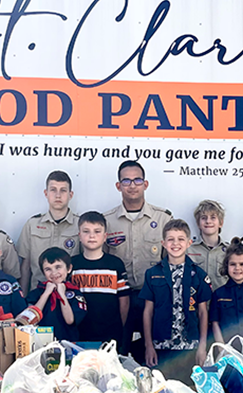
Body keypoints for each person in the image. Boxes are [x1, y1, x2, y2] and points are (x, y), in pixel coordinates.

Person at [104, 160, 172, 358]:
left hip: (154, 298)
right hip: (118, 300)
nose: (132, 185)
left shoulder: (163, 219)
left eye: (137, 180)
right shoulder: (107, 221)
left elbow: (171, 262)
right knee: (118, 353)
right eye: (126, 181)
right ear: (118, 186)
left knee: (156, 356)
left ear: (145, 184)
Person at [140, 219, 211, 385]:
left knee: (187, 387)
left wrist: (202, 347)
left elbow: (202, 312)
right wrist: (148, 345)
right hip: (161, 347)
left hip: (189, 348)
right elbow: (147, 312)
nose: (175, 243)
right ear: (163, 243)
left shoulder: (198, 274)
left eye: (180, 239)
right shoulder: (152, 274)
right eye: (171, 239)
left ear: (189, 243)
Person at [71, 211, 131, 344]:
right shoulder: (72, 265)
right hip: (78, 334)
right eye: (86, 231)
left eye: (97, 231)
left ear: (105, 237)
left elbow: (124, 301)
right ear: (80, 236)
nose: (92, 236)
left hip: (109, 334)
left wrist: (120, 328)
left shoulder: (115, 264)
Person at [18, 171, 79, 294]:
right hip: (37, 294)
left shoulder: (80, 225)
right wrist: (23, 297)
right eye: (53, 190)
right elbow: (25, 266)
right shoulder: (32, 224)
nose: (58, 195)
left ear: (70, 194)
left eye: (63, 190)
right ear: (46, 193)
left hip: (70, 295)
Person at [26, 247, 87, 341]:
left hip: (67, 342)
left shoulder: (75, 293)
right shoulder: (36, 293)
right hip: (40, 343)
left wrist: (62, 295)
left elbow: (70, 320)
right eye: (48, 269)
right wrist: (46, 293)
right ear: (43, 272)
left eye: (58, 267)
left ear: (69, 268)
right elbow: (30, 319)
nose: (54, 272)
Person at [187, 200, 230, 290]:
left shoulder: (230, 251)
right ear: (198, 223)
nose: (208, 221)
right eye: (204, 218)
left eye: (213, 217)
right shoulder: (188, 250)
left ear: (221, 223)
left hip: (222, 302)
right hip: (196, 302)